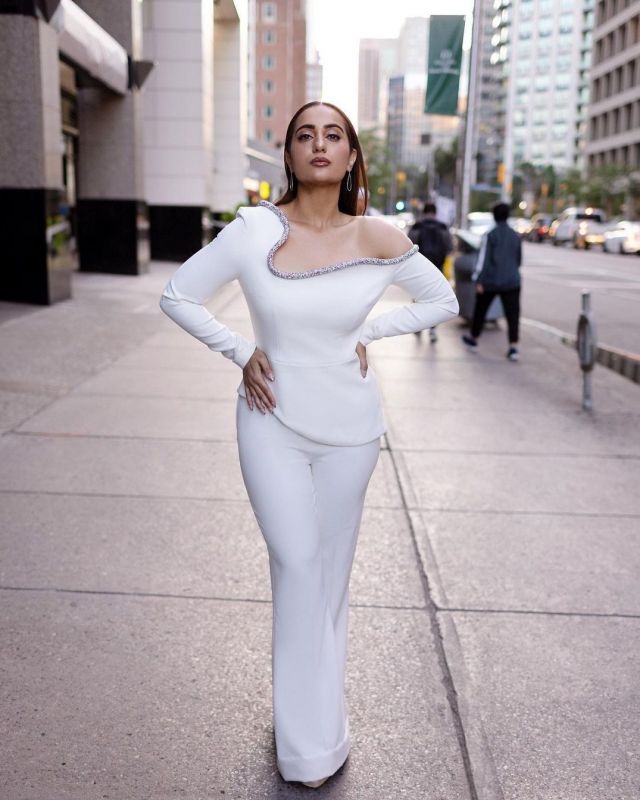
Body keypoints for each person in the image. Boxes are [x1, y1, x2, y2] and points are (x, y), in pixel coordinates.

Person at [159, 101, 459, 789]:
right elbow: (178, 295)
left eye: (333, 135)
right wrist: (240, 349)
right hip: (271, 419)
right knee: (297, 564)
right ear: (289, 155)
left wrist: (370, 337)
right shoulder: (253, 230)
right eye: (304, 135)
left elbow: (441, 302)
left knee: (327, 581)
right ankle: (305, 746)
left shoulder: (377, 236)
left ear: (352, 155)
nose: (318, 145)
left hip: (351, 428)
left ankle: (319, 721)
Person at [462, 201, 522, 361]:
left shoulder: (490, 235)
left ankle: (474, 340)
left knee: (480, 310)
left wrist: (478, 280)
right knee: (513, 314)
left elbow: (483, 260)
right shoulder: (516, 235)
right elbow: (519, 260)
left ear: (494, 216)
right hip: (512, 281)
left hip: (491, 281)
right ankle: (513, 347)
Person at [408, 202, 453, 342]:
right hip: (437, 270)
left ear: (424, 212)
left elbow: (408, 246)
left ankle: (418, 327)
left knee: (419, 298)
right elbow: (450, 247)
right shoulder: (443, 228)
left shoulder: (416, 227)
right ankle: (433, 330)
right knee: (435, 300)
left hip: (419, 270)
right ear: (435, 212)